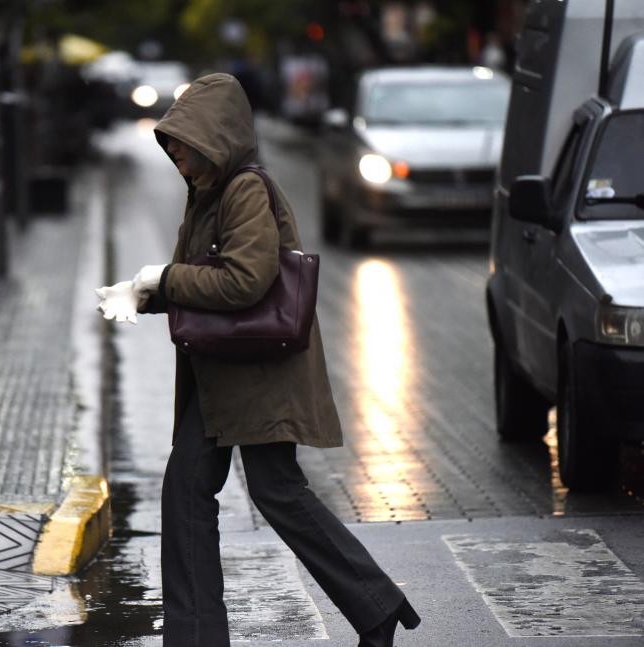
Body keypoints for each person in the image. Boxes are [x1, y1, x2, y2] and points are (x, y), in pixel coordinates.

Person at [95, 73, 420, 647]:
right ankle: (370, 609)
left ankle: (372, 607)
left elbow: (246, 279)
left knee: (265, 491)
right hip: (227, 377)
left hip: (256, 376)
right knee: (207, 490)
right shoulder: (208, 195)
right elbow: (202, 283)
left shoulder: (243, 189)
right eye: (169, 143)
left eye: (183, 142)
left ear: (214, 136)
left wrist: (163, 279)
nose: (174, 153)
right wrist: (143, 292)